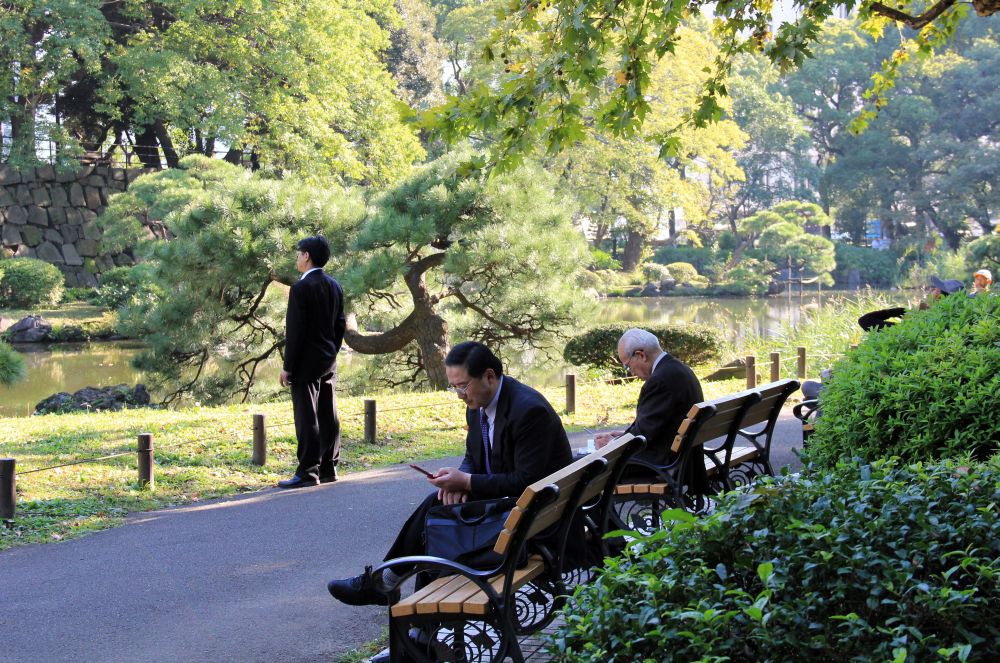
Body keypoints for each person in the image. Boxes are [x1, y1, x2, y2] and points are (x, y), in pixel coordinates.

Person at [326, 341, 574, 607]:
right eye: (453, 386)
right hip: (514, 511)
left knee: (437, 519)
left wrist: (467, 482)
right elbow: (472, 457)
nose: (459, 394)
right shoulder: (478, 404)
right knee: (440, 518)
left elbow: (525, 482)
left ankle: (387, 587)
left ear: (489, 376)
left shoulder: (528, 411)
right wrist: (459, 479)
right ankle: (405, 613)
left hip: (535, 523)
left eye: (463, 385)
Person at [277, 236, 346, 489]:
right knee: (329, 413)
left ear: (307, 256)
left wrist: (288, 366)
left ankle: (308, 470)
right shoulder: (334, 285)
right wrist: (332, 350)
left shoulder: (300, 288)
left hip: (306, 362)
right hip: (328, 358)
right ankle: (329, 466)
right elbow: (340, 324)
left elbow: (295, 331)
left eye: (299, 254)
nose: (297, 258)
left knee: (307, 415)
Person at [594, 328, 704, 469]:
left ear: (641, 355)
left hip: (661, 464)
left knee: (588, 467)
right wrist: (621, 436)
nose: (631, 372)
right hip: (683, 458)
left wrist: (609, 444)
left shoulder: (660, 381)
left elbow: (643, 436)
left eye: (628, 366)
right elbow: (657, 427)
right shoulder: (680, 369)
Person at [858, 275, 963, 331]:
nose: (931, 290)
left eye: (935, 289)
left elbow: (865, 321)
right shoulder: (954, 317)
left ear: (938, 295)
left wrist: (896, 312)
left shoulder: (923, 319)